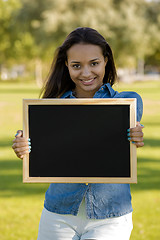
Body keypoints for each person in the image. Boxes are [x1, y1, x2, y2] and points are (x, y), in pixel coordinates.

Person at [12, 27, 144, 240]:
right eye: (76, 66)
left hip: (110, 216)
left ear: (106, 60)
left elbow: (128, 132)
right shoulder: (51, 107)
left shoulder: (128, 102)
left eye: (94, 63)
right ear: (66, 65)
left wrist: (136, 136)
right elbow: (41, 146)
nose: (85, 73)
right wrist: (24, 146)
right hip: (58, 213)